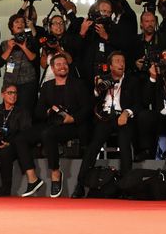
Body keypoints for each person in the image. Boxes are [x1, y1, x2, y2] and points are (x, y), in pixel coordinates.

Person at [71, 51, 139, 198]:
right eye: (117, 61)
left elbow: (139, 103)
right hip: (105, 118)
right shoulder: (102, 80)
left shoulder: (132, 80)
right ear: (110, 66)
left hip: (123, 117)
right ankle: (80, 185)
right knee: (92, 147)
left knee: (125, 146)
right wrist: (97, 89)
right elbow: (91, 102)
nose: (121, 64)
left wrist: (127, 113)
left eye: (123, 61)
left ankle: (126, 187)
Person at [34, 52, 90, 197]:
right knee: (46, 133)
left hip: (74, 124)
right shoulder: (46, 86)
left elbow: (87, 107)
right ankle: (55, 173)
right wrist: (48, 111)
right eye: (58, 64)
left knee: (50, 133)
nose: (62, 67)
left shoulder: (78, 84)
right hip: (55, 124)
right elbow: (38, 112)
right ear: (52, 68)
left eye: (64, 64)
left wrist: (73, 118)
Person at [0, 83, 42, 196]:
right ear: (3, 94)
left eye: (15, 93)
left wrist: (9, 142)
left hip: (15, 145)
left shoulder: (22, 111)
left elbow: (25, 133)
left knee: (6, 152)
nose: (13, 96)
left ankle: (6, 187)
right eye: (10, 93)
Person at [0, 14, 39, 108]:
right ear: (11, 27)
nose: (20, 24)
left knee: (26, 111)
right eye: (17, 22)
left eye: (22, 22)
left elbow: (35, 60)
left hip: (27, 83)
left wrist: (24, 47)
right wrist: (9, 49)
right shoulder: (5, 44)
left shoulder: (31, 41)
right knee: (9, 109)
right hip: (9, 83)